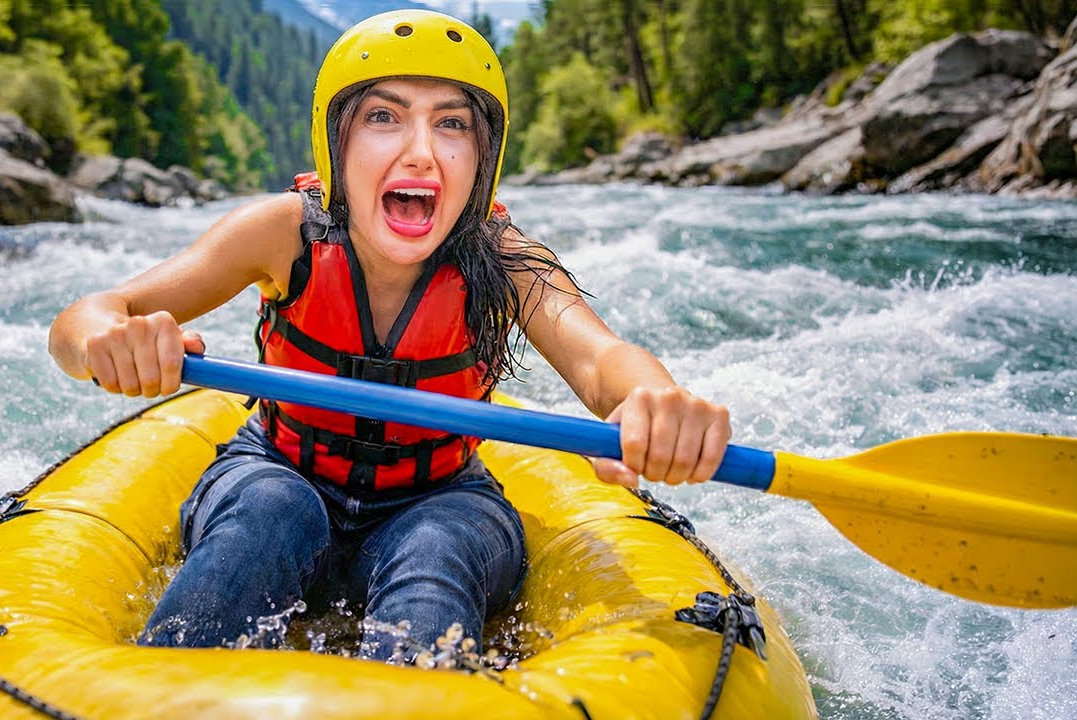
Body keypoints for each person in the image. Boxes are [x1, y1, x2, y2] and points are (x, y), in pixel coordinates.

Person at [48, 9, 730, 662]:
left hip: (442, 495)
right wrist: (106, 338)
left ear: (483, 157)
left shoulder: (506, 256)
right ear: (334, 142)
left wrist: (652, 399)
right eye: (383, 117)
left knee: (437, 547)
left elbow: (603, 358)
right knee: (272, 512)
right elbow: (85, 318)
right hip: (277, 470)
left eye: (453, 124)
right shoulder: (283, 233)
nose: (422, 154)